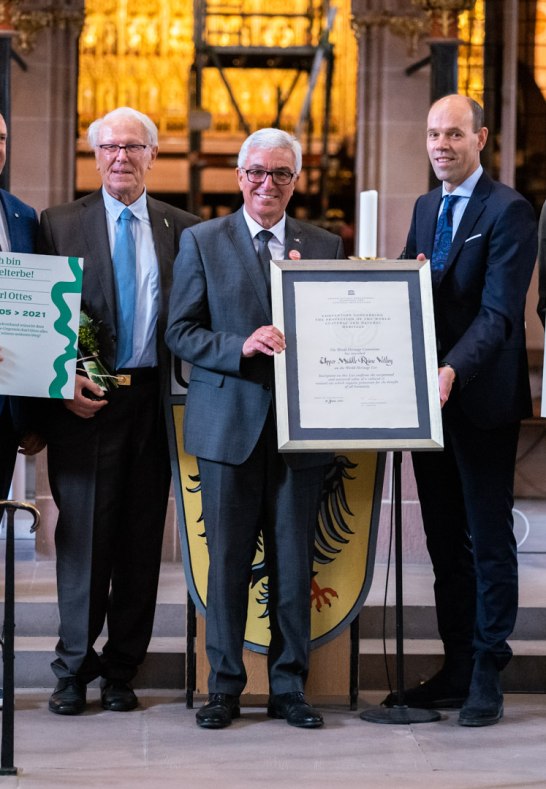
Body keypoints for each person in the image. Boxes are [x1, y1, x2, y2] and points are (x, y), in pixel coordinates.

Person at [166, 128, 345, 729]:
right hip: (228, 428)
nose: (268, 184)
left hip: (302, 431)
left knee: (295, 566)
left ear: (298, 180)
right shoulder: (201, 240)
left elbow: (342, 326)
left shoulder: (324, 244)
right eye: (257, 172)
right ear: (239, 176)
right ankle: (225, 686)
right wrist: (238, 345)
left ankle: (290, 688)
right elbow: (181, 331)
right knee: (228, 564)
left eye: (282, 174)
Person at [37, 107, 199, 716]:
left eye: (133, 147)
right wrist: (55, 388)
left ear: (153, 156)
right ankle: (73, 668)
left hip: (153, 405)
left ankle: (122, 669)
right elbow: (32, 317)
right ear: (94, 154)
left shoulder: (183, 229)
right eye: (109, 147)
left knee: (138, 544)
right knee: (84, 542)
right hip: (84, 406)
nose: (121, 157)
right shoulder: (58, 224)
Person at [382, 94, 537, 726]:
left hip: (480, 402)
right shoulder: (425, 208)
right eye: (432, 134)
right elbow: (402, 286)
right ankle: (453, 666)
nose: (441, 144)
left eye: (453, 133)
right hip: (428, 406)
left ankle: (487, 671)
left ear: (481, 139)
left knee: (487, 540)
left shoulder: (510, 210)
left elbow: (500, 314)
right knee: (445, 543)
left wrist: (451, 370)